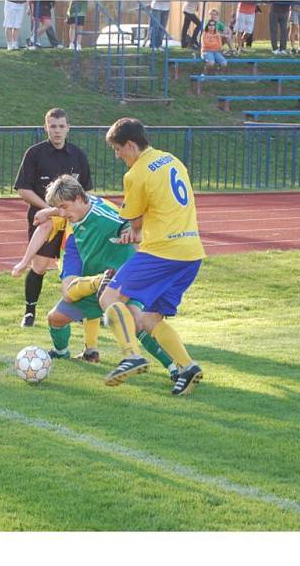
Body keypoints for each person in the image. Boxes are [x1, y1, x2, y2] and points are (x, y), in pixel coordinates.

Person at [11, 175, 180, 382]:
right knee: (55, 318)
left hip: (121, 283)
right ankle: (62, 351)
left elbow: (133, 227)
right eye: (59, 209)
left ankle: (176, 368)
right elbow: (61, 213)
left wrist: (135, 237)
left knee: (137, 323)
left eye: (64, 207)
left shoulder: (106, 216)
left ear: (80, 198)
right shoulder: (76, 211)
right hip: (94, 283)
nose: (62, 214)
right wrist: (51, 210)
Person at [99, 118, 206, 397]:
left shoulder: (136, 173)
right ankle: (188, 366)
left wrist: (135, 231)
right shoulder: (172, 160)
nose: (117, 155)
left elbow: (133, 222)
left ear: (131, 145)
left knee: (109, 298)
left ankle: (131, 355)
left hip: (162, 251)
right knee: (148, 318)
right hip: (191, 252)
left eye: (118, 149)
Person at [13, 108, 92, 328]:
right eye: (53, 126)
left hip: (72, 221)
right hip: (44, 218)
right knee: (39, 267)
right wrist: (50, 209)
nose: (57, 131)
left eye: (61, 126)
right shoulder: (35, 153)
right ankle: (29, 312)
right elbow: (23, 189)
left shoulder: (78, 155)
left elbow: (88, 192)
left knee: (78, 268)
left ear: (68, 128)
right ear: (46, 127)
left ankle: (81, 313)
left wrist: (73, 212)